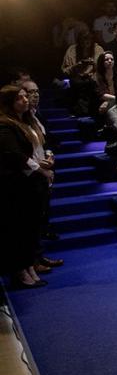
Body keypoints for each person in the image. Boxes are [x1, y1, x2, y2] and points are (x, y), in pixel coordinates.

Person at [0, 85, 49, 289]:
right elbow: (13, 155)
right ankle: (20, 271)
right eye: (20, 98)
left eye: (25, 96)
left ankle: (29, 265)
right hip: (16, 184)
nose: (26, 100)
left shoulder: (24, 121)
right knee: (19, 229)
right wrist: (39, 168)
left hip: (30, 183)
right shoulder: (5, 125)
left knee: (31, 227)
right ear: (10, 102)